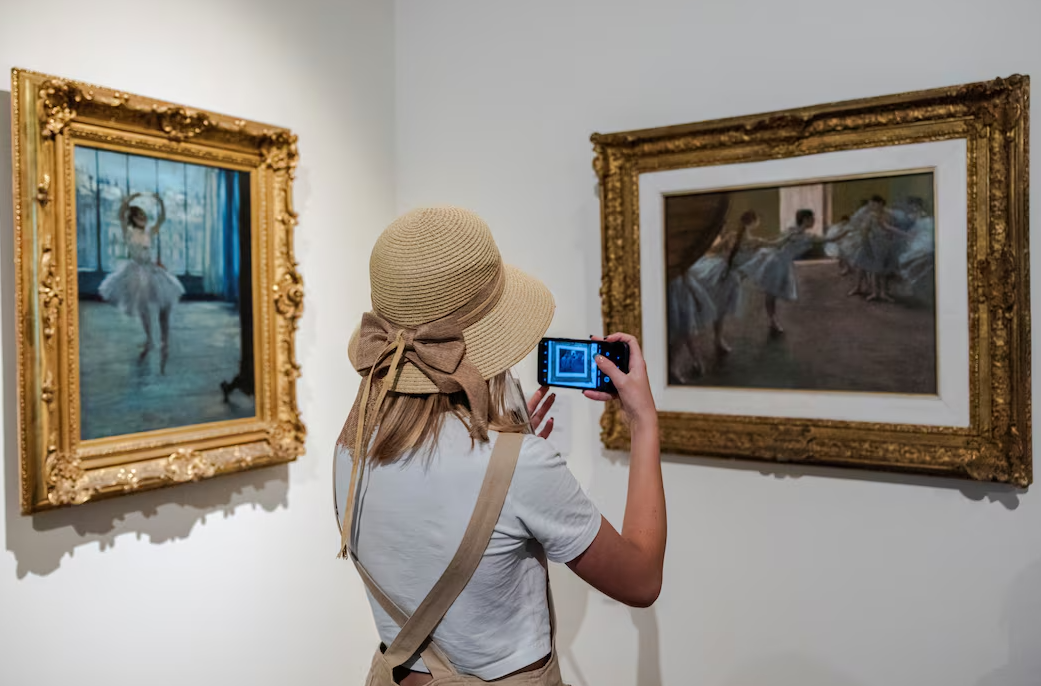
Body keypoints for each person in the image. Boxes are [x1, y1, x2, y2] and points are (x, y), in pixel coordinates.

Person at [335, 207, 665, 686]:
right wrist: (644, 422)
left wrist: (506, 452)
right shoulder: (521, 468)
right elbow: (641, 580)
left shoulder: (349, 450)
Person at [98, 192, 184, 374]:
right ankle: (150, 339)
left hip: (152, 269)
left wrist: (160, 202)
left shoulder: (148, 232)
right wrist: (129, 200)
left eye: (144, 216)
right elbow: (121, 216)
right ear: (133, 219)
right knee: (143, 307)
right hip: (136, 270)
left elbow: (161, 219)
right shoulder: (128, 232)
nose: (143, 219)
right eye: (139, 217)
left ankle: (164, 340)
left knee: (165, 304)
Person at [738, 209, 842, 334]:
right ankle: (772, 321)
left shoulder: (803, 234)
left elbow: (828, 239)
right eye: (812, 219)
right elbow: (778, 241)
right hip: (776, 262)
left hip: (780, 261)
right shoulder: (797, 233)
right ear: (805, 220)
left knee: (771, 294)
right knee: (771, 293)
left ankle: (772, 321)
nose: (814, 221)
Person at [689, 210, 757, 355]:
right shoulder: (745, 239)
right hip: (723, 274)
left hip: (727, 274)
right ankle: (715, 340)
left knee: (719, 308)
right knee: (717, 308)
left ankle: (717, 340)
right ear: (754, 222)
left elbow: (715, 249)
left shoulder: (738, 237)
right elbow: (714, 250)